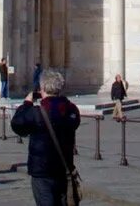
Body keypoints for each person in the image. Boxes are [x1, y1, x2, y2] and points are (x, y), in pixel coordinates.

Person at [11, 69, 83, 206]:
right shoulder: (71, 110)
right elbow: (74, 122)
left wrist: (26, 103)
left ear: (42, 88)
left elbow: (17, 125)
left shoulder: (37, 113)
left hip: (42, 171)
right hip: (64, 168)